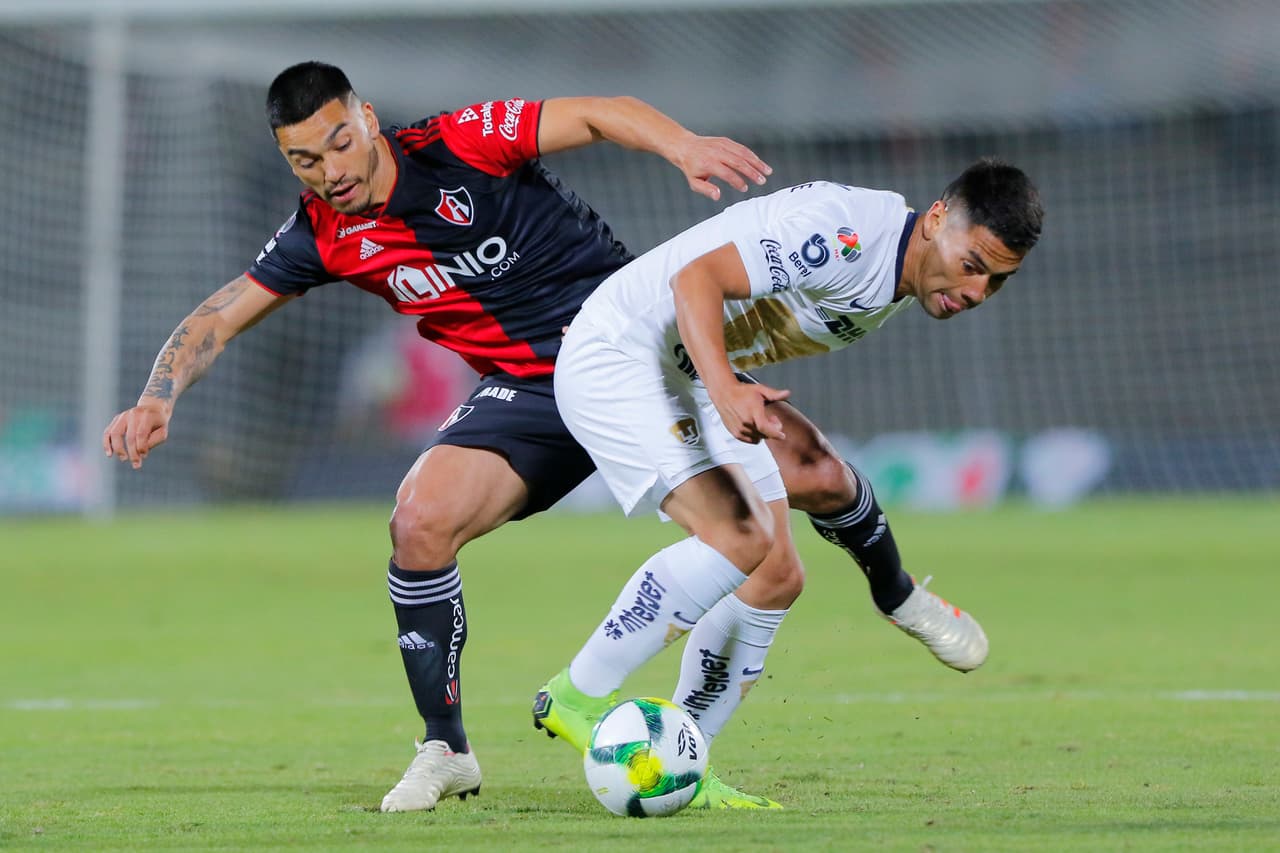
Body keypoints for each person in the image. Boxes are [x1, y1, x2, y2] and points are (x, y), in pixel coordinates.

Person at [100, 60, 990, 814]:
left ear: (365, 119)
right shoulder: (324, 233)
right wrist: (156, 395)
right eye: (304, 160)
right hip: (530, 393)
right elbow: (221, 313)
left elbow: (598, 111)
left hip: (635, 348)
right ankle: (446, 748)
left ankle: (870, 614)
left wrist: (680, 145)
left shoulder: (458, 142)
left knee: (806, 501)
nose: (329, 171)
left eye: (338, 142)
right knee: (419, 521)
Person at [533, 160, 1043, 808]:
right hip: (622, 356)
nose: (977, 290)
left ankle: (686, 757)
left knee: (776, 573)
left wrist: (721, 385)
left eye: (997, 280)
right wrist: (726, 389)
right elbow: (697, 278)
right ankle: (575, 695)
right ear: (937, 219)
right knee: (739, 536)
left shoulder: (900, 271)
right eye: (973, 265)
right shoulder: (845, 236)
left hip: (682, 370)